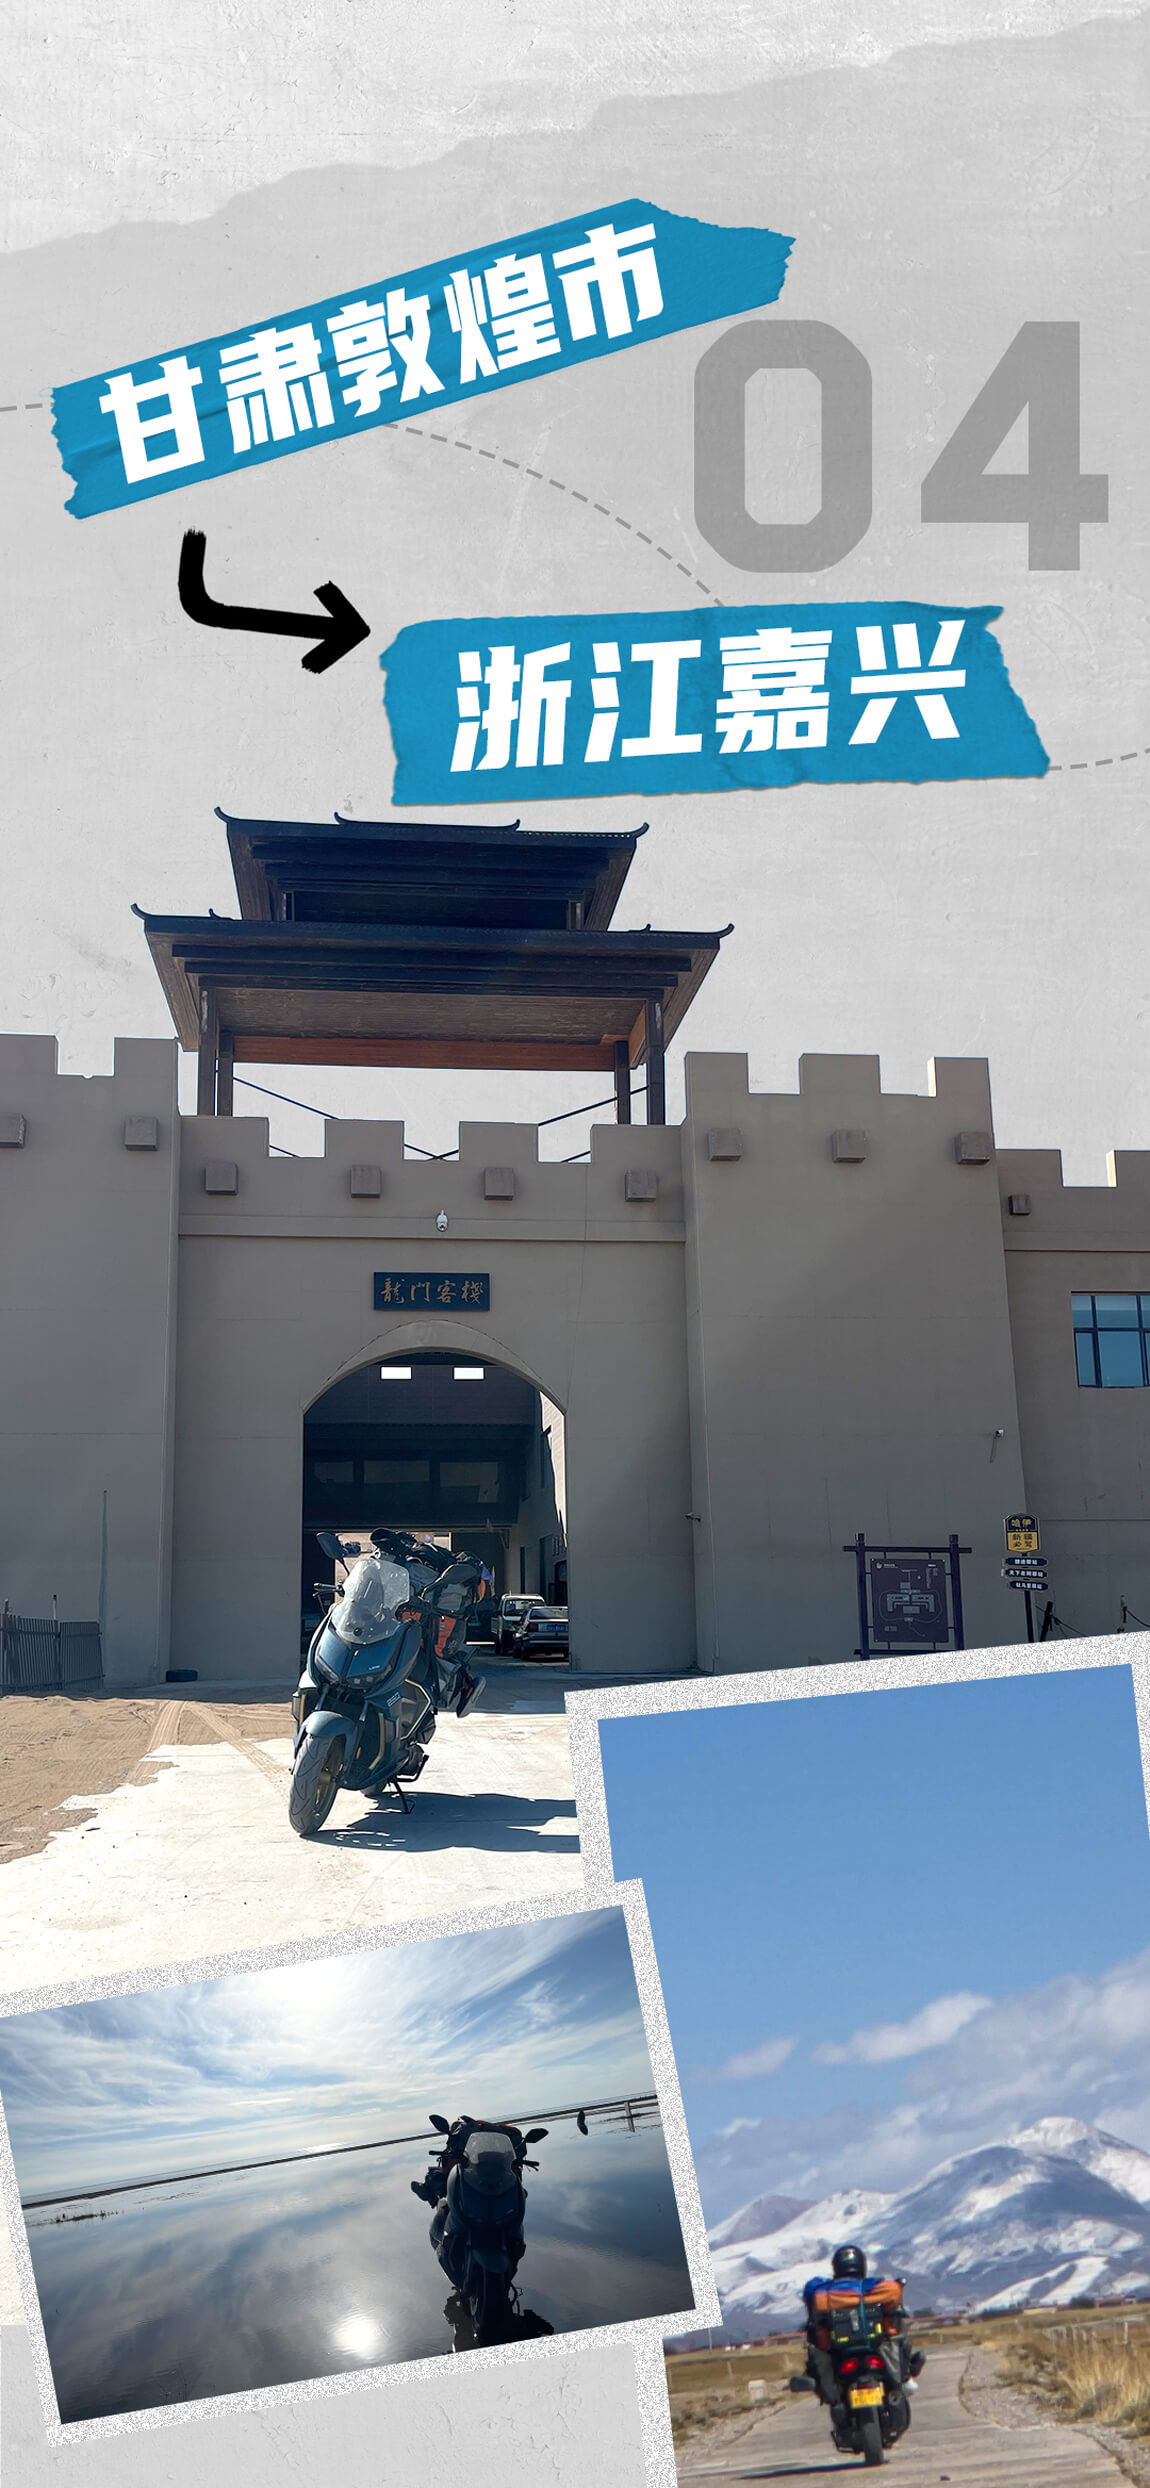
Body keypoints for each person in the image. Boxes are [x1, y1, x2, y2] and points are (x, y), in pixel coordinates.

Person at [800, 2244, 922, 2426]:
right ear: (861, 2265)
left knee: (820, 2357)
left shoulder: (824, 2291)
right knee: (897, 2332)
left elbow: (811, 2298)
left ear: (836, 2267)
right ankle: (905, 2377)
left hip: (839, 2352)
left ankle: (903, 2377)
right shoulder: (874, 2287)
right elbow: (895, 2293)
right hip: (874, 2348)